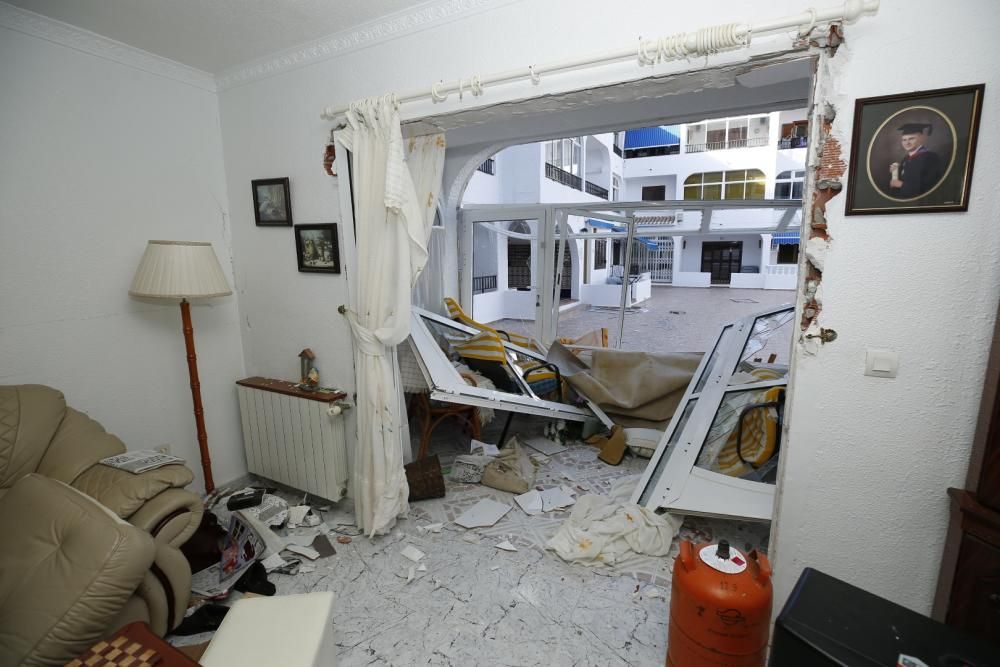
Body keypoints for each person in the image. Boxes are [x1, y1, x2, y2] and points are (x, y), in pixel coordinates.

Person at [887, 122, 943, 198]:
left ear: (922, 138)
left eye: (911, 138)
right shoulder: (906, 159)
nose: (907, 143)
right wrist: (895, 172)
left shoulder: (930, 158)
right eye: (904, 140)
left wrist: (901, 184)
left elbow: (930, 187)